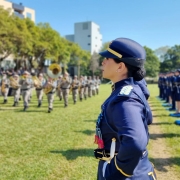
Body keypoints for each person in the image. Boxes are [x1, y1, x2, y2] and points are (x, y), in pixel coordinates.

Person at [94, 38, 156, 180]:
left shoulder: (125, 99)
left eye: (108, 58)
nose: (103, 62)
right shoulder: (132, 88)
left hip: (126, 175)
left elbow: (135, 142)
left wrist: (117, 170)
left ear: (120, 67)